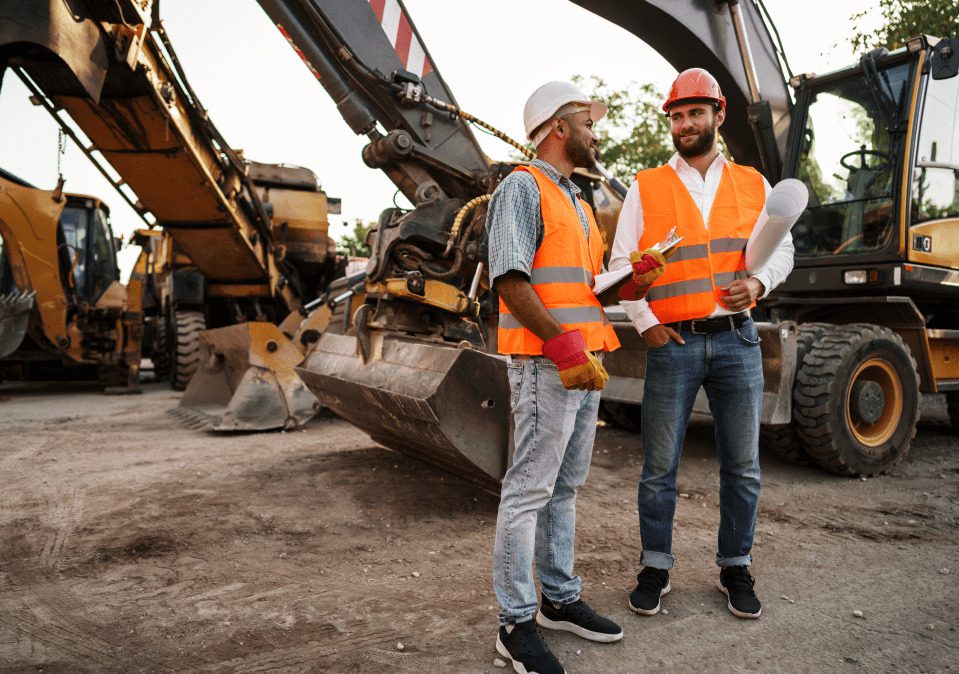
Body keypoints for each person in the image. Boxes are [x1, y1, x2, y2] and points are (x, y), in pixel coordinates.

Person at [487, 81, 662, 674]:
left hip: (584, 362)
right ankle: (515, 622)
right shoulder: (521, 187)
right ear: (559, 128)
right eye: (588, 122)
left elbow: (587, 291)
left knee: (563, 488)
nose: (595, 133)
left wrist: (634, 279)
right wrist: (561, 346)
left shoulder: (579, 204)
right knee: (528, 490)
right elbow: (510, 281)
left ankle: (559, 598)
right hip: (548, 362)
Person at [609, 68, 795, 621]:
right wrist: (644, 324)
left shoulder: (754, 184)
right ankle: (655, 567)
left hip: (737, 341)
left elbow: (781, 250)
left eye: (694, 113)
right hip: (673, 344)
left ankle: (735, 566)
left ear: (718, 116)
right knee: (659, 469)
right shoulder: (645, 187)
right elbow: (621, 267)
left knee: (742, 467)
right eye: (676, 115)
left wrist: (760, 284)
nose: (684, 124)